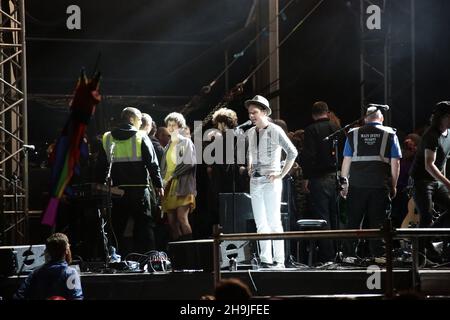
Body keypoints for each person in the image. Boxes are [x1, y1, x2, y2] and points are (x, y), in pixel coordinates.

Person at [97, 107, 164, 255]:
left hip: (117, 191)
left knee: (118, 227)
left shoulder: (107, 137)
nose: (141, 123)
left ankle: (121, 259)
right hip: (139, 190)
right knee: (145, 226)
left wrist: (101, 188)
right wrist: (159, 184)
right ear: (132, 119)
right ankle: (149, 259)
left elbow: (101, 165)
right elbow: (152, 163)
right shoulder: (141, 136)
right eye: (139, 119)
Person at [340, 106, 401, 258]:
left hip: (357, 186)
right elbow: (396, 163)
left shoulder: (353, 134)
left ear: (366, 119)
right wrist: (393, 185)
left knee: (353, 222)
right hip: (380, 186)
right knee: (378, 225)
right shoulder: (390, 134)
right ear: (381, 119)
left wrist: (344, 183)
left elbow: (346, 161)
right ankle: (380, 258)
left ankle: (348, 257)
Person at [246, 95, 298, 268]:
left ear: (264, 112)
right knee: (260, 222)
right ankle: (266, 259)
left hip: (271, 180)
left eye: (254, 112)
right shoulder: (251, 132)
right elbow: (251, 152)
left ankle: (279, 260)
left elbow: (292, 152)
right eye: (250, 113)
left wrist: (281, 175)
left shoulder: (275, 130)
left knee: (274, 221)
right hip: (255, 181)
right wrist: (249, 163)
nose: (251, 116)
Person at [410, 101, 450, 262]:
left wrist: (445, 182)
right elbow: (429, 164)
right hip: (422, 180)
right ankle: (420, 255)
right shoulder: (431, 135)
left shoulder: (448, 134)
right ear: (443, 117)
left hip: (436, 181)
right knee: (425, 217)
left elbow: (444, 160)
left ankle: (426, 240)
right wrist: (447, 182)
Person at [302, 101, 341, 262]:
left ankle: (328, 258)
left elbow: (309, 156)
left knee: (323, 218)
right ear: (327, 112)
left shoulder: (311, 130)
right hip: (337, 177)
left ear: (313, 115)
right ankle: (340, 253)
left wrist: (306, 178)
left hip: (319, 179)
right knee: (336, 216)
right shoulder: (338, 129)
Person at [160, 112, 196, 241]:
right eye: (169, 125)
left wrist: (170, 177)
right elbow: (164, 167)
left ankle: (191, 255)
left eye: (173, 125)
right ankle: (179, 256)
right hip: (169, 186)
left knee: (182, 218)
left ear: (180, 126)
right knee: (172, 223)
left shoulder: (185, 142)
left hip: (182, 185)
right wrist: (163, 181)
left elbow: (189, 163)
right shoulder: (168, 145)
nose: (170, 128)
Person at [14, 233, 83, 300]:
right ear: (66, 250)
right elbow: (77, 297)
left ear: (47, 251)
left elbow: (18, 296)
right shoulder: (70, 273)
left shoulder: (35, 273)